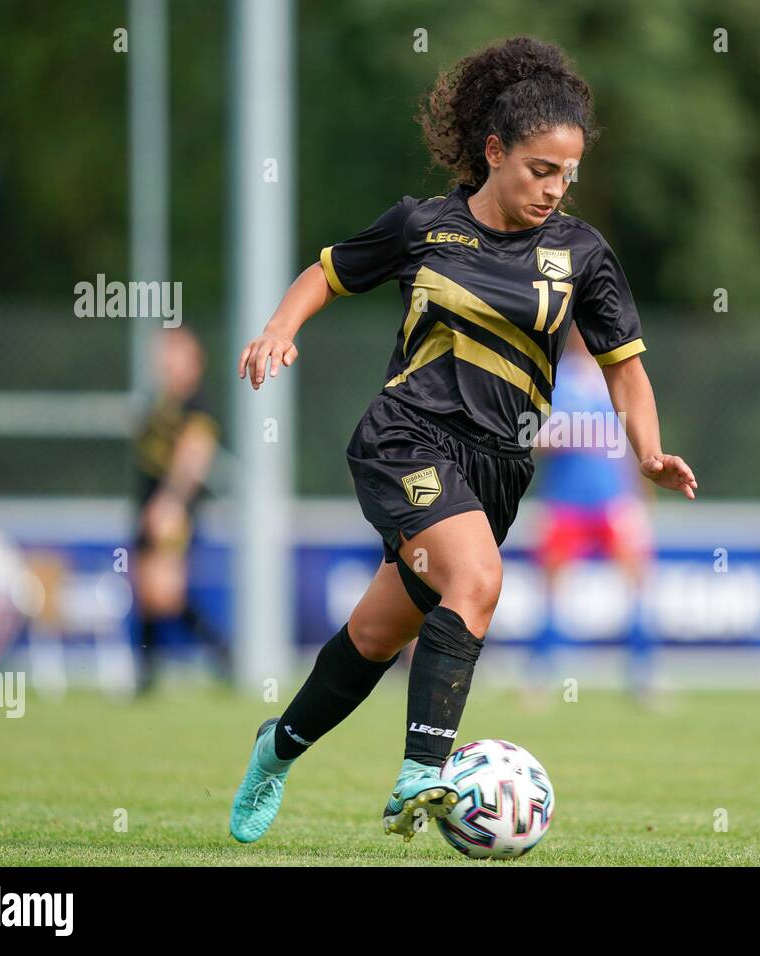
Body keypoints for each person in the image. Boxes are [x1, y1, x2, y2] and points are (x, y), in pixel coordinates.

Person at [228, 35, 696, 845]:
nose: (554, 189)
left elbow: (626, 371)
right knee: (477, 579)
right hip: (405, 439)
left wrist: (648, 451)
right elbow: (327, 271)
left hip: (499, 467)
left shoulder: (582, 256)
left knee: (376, 637)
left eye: (567, 175)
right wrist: (278, 328)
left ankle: (276, 748)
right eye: (539, 170)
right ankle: (423, 775)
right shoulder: (423, 227)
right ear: (493, 153)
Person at [529, 327, 656, 703]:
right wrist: (562, 436)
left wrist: (641, 493)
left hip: (613, 501)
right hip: (564, 503)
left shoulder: (617, 376)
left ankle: (642, 678)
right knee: (551, 593)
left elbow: (633, 439)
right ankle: (541, 678)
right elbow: (532, 438)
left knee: (638, 586)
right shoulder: (553, 379)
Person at [131, 326, 227, 694]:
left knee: (164, 594)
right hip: (148, 506)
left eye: (175, 357)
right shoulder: (158, 405)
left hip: (169, 510)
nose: (166, 365)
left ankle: (219, 651)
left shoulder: (196, 408)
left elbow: (193, 458)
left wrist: (169, 503)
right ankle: (146, 673)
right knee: (148, 592)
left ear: (194, 364)